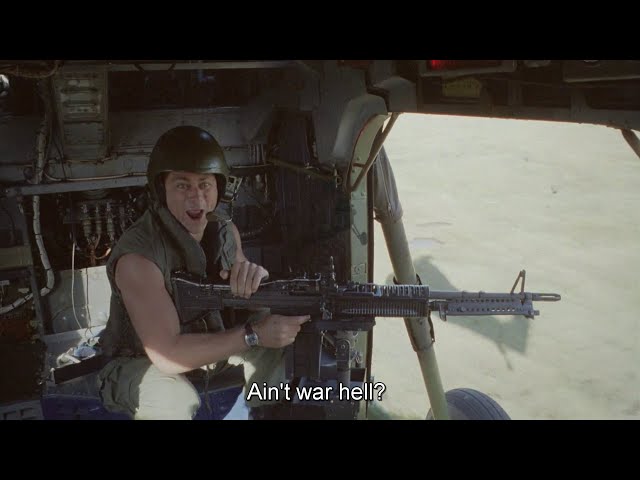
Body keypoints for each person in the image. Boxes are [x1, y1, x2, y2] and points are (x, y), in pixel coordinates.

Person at [97, 125, 309, 420]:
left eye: (205, 184)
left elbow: (247, 297)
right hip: (138, 362)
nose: (196, 198)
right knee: (174, 400)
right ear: (161, 190)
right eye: (182, 186)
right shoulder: (139, 257)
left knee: (283, 342)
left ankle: (263, 412)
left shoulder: (225, 231)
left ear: (219, 188)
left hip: (208, 350)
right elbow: (167, 354)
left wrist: (255, 280)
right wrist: (253, 335)